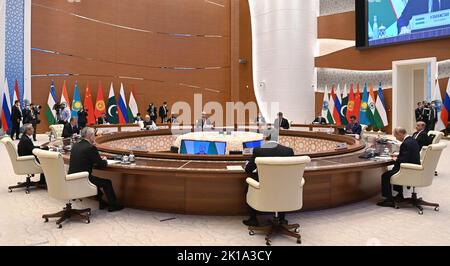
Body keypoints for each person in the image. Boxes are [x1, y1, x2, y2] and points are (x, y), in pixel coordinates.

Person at [243, 131, 295, 227]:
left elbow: (249, 169)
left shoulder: (258, 150)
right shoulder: (288, 151)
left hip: (264, 188)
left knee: (248, 187)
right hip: (284, 188)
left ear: (265, 138)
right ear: (277, 138)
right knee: (282, 189)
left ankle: (253, 219)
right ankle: (282, 218)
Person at [68, 127, 123, 212]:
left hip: (72, 178)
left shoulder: (75, 145)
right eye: (94, 135)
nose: (95, 137)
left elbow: (85, 158)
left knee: (96, 181)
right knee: (107, 182)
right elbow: (101, 164)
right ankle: (113, 205)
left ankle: (102, 202)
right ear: (90, 136)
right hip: (84, 178)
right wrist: (104, 160)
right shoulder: (90, 147)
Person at [377, 127, 421, 208]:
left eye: (396, 136)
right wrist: (398, 155)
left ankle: (389, 200)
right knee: (393, 171)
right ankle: (399, 196)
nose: (396, 138)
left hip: (408, 169)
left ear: (400, 134)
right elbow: (409, 154)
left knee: (385, 176)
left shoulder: (405, 144)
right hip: (415, 167)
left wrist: (395, 159)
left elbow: (402, 160)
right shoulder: (412, 140)